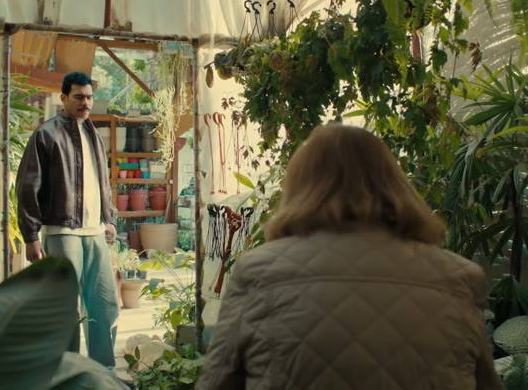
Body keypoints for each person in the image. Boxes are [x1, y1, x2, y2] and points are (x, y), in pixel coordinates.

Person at [197, 124, 502, 389]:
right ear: (395, 185)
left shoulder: (257, 273)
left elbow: (218, 382)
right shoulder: (459, 279)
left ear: (299, 188)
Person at [16, 71, 120, 369]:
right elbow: (27, 186)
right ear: (63, 98)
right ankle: (66, 373)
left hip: (95, 232)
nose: (85, 102)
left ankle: (103, 372)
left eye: (89, 97)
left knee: (104, 305)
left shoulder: (93, 134)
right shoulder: (46, 134)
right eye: (78, 97)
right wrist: (31, 236)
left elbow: (102, 182)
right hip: (62, 232)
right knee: (66, 308)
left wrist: (109, 219)